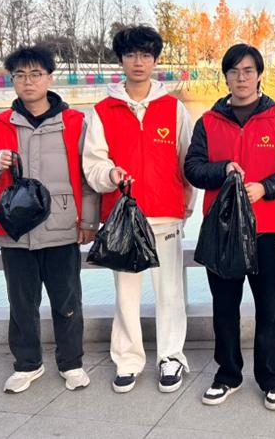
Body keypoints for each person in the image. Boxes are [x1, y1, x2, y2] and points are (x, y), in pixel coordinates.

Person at [184, 43, 275, 411]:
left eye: (248, 70)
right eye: (234, 71)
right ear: (225, 76)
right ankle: (228, 375)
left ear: (259, 75)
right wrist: (222, 169)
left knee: (270, 308)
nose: (241, 77)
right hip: (222, 231)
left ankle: (272, 379)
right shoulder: (208, 121)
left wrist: (266, 188)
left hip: (267, 229)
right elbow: (192, 168)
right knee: (225, 307)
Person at [0, 45, 99, 394]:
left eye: (36, 74)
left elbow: (88, 178)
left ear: (50, 78)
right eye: (20, 75)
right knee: (21, 303)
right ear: (12, 80)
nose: (28, 82)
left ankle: (71, 363)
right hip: (15, 232)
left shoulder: (75, 123)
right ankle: (27, 364)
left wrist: (89, 222)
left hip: (62, 229)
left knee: (67, 302)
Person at [82, 25, 195, 394]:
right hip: (124, 219)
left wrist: (187, 203)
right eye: (131, 55)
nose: (138, 62)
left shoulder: (174, 109)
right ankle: (128, 360)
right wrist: (110, 174)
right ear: (121, 60)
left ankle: (171, 357)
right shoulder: (103, 111)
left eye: (146, 55)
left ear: (155, 60)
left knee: (170, 292)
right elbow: (93, 163)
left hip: (166, 214)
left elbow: (187, 161)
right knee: (126, 295)